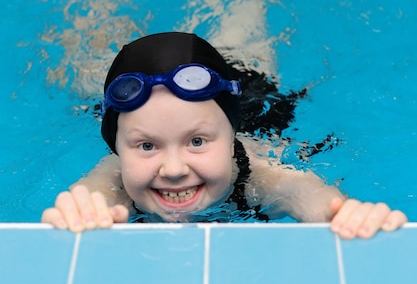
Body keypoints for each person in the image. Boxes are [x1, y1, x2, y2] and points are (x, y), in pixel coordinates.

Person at [41, 31, 407, 238]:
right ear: (117, 146)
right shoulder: (115, 176)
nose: (172, 169)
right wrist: (82, 210)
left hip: (257, 92)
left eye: (197, 141)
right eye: (147, 145)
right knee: (78, 62)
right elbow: (93, 197)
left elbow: (305, 193)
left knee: (244, 32)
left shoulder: (258, 175)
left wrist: (344, 216)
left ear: (231, 136)